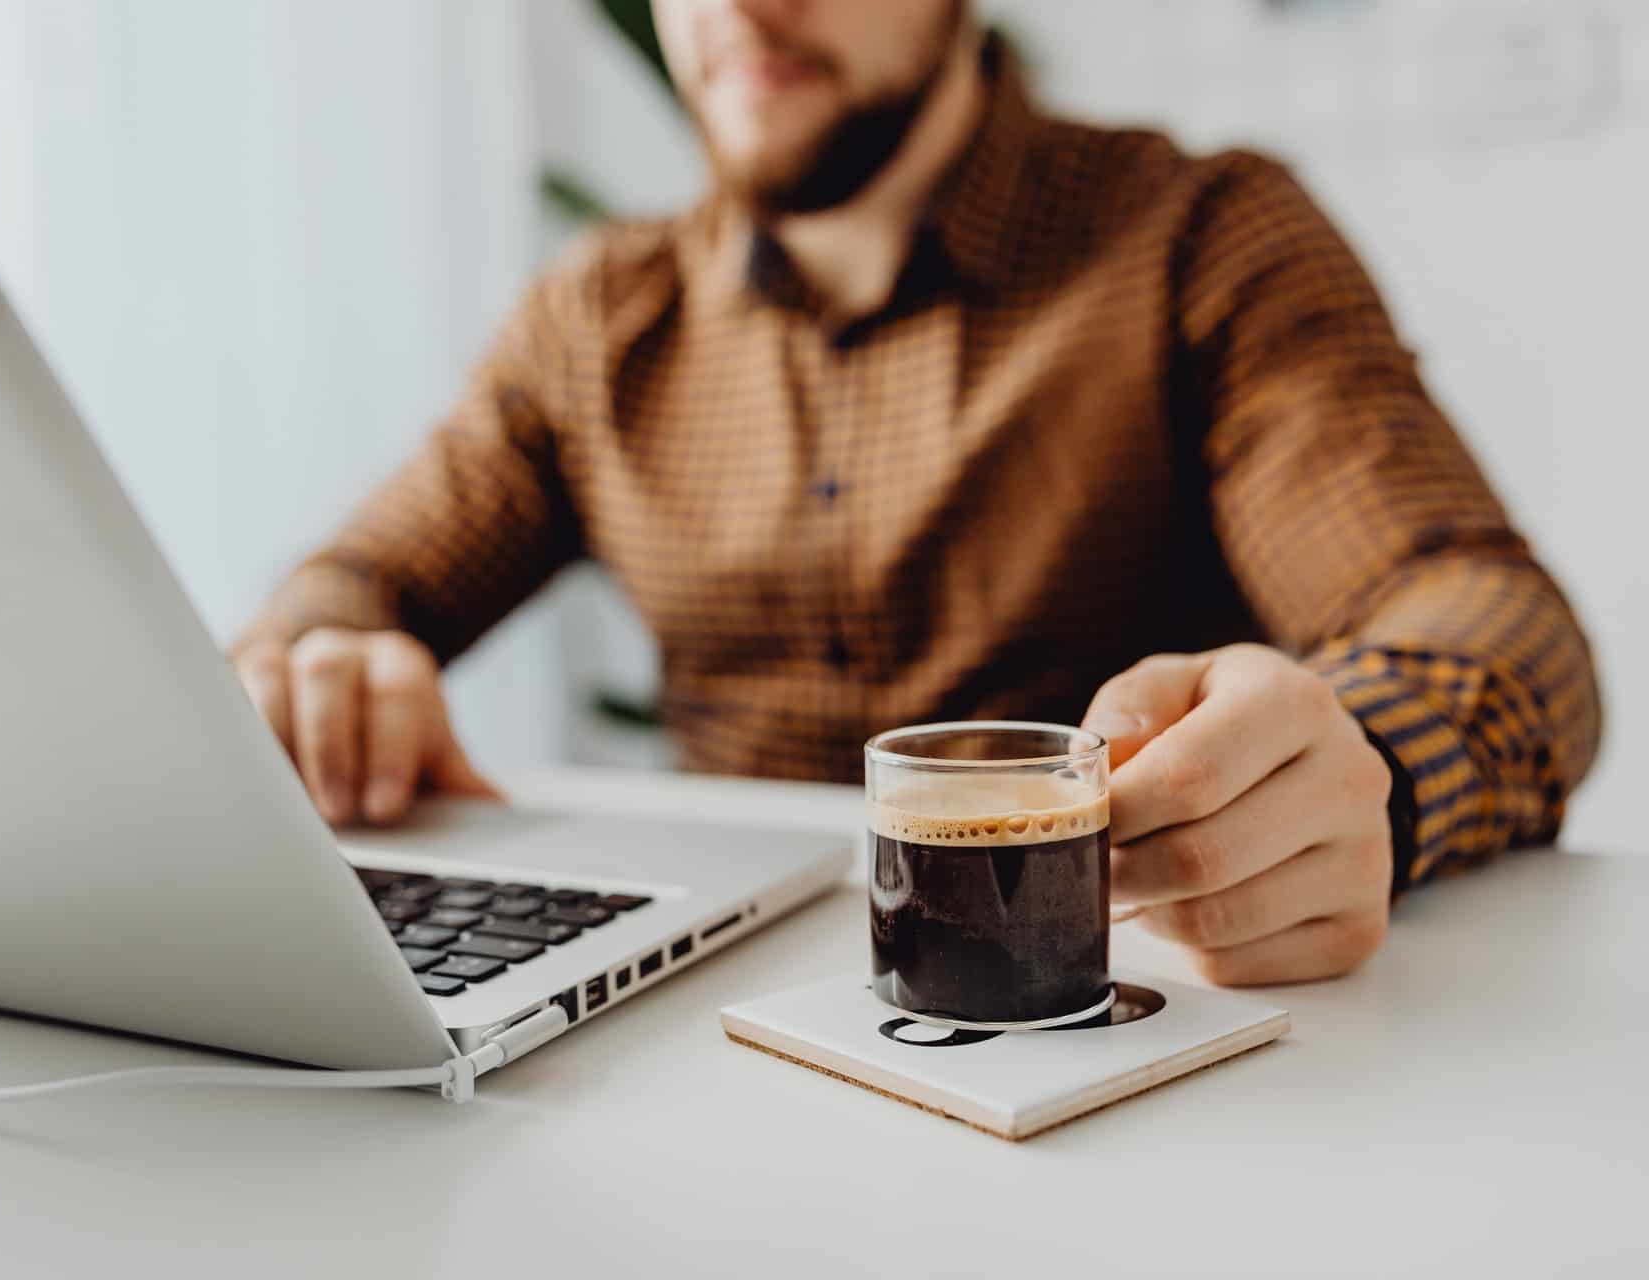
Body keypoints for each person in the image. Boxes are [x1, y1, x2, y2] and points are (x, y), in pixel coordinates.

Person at [231, 0, 1601, 985]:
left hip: (1116, 1035)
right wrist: (319, 658)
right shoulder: (593, 320)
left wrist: (1360, 763)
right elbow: (361, 578)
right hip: (706, 1039)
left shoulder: (1199, 242)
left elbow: (1488, 617)